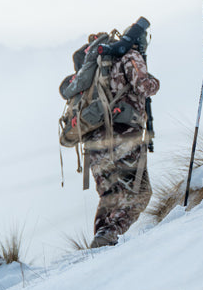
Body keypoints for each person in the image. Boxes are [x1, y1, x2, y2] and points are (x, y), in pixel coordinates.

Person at [58, 18, 158, 248]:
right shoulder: (130, 57)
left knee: (109, 195)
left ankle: (101, 239)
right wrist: (154, 82)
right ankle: (110, 234)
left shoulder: (94, 71)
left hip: (92, 138)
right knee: (140, 192)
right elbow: (144, 85)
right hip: (123, 135)